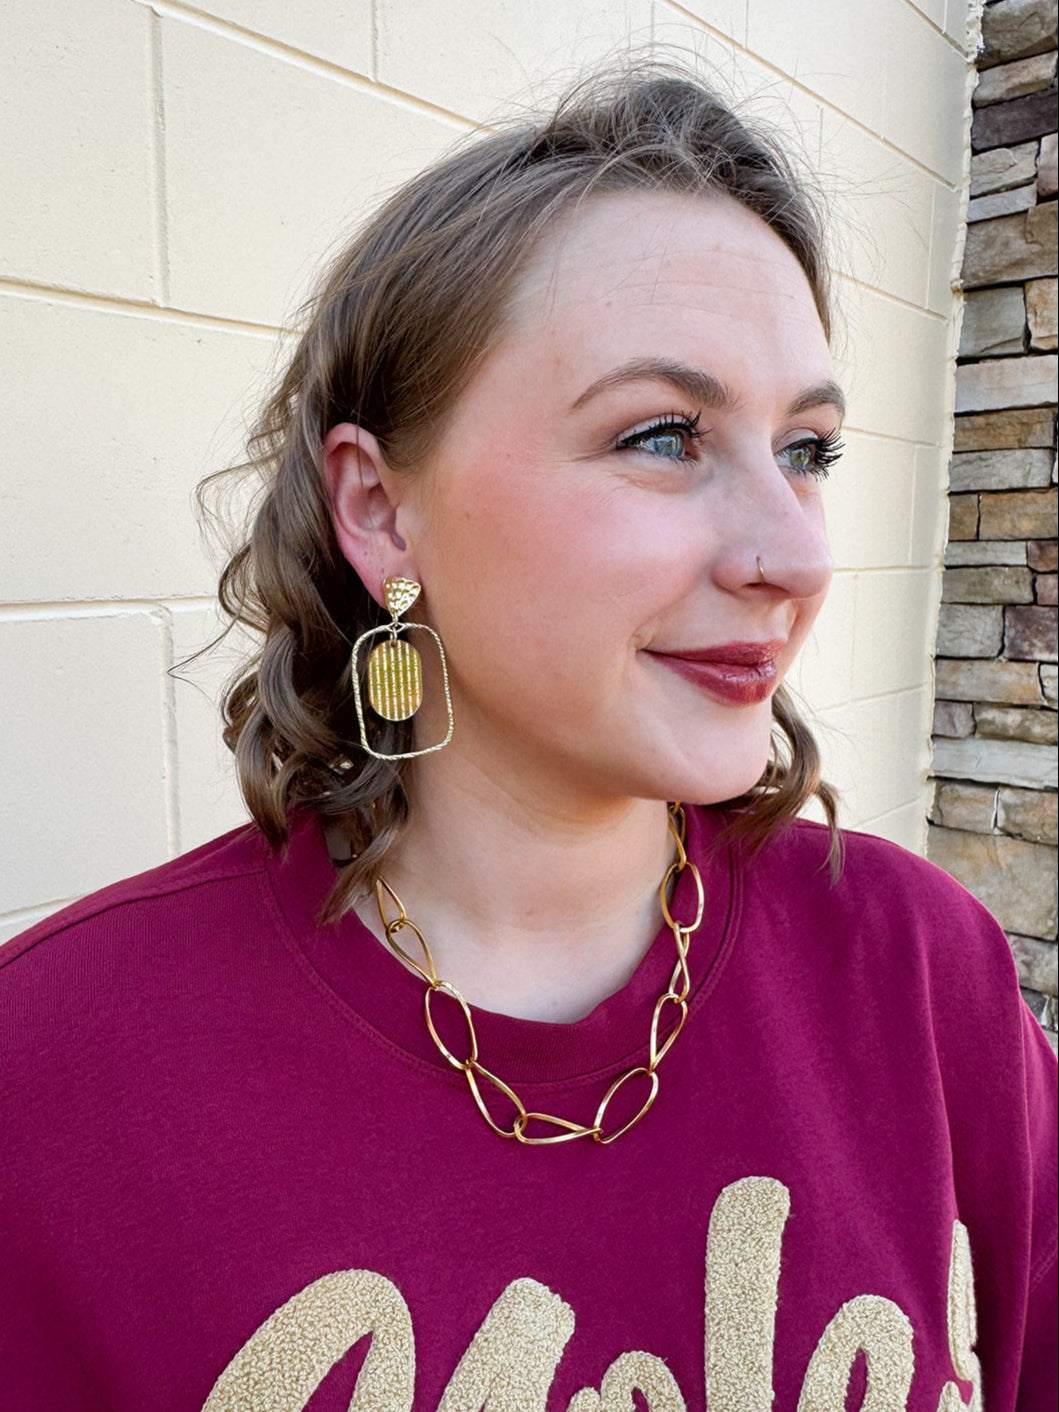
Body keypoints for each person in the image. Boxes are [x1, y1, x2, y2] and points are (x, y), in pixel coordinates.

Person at [0, 60, 1054, 1412]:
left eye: (809, 450)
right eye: (664, 435)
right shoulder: (58, 1077)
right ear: (381, 511)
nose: (794, 555)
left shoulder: (916, 973)